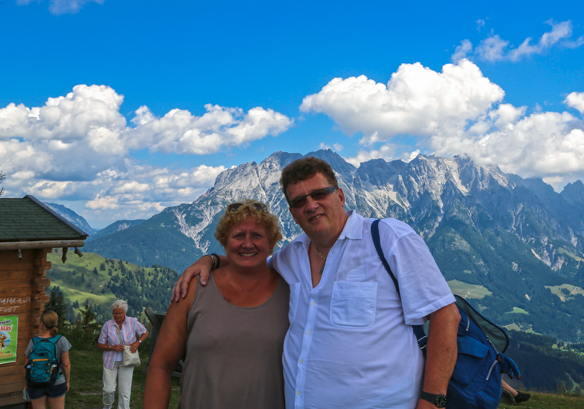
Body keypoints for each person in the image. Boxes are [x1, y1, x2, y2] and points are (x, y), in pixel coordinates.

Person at [173, 156, 460, 409]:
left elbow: (445, 315)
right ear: (293, 212)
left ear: (341, 196)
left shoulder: (389, 238)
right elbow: (250, 260)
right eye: (299, 201)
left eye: (319, 194)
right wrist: (210, 260)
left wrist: (433, 400)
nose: (310, 205)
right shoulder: (291, 256)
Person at [144, 200, 289, 409]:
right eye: (238, 236)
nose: (247, 244)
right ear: (224, 242)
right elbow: (160, 366)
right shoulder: (193, 289)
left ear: (272, 242)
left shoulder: (292, 290)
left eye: (257, 235)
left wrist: (211, 259)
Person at [96, 299, 148, 409]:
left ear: (125, 312)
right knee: (108, 390)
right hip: (110, 361)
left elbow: (144, 332)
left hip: (128, 361)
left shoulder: (132, 322)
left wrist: (138, 342)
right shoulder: (107, 325)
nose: (117, 315)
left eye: (120, 313)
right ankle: (107, 406)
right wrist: (112, 347)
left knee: (125, 391)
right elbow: (100, 344)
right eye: (115, 313)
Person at [24, 310, 71, 409]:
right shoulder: (61, 340)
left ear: (42, 323)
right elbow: (66, 364)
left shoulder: (33, 341)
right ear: (55, 323)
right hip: (56, 381)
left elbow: (26, 365)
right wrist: (67, 382)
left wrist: (26, 383)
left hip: (35, 382)